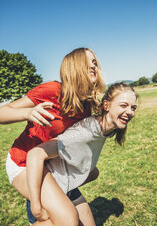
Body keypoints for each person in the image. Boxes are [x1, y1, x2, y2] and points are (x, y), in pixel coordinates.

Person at [6, 82, 138, 226]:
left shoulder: (107, 129)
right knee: (68, 222)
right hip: (45, 183)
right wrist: (36, 204)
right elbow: (35, 154)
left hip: (64, 182)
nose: (130, 112)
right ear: (106, 105)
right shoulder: (84, 132)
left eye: (133, 108)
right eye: (123, 105)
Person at [1, 48, 106, 224]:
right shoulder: (52, 90)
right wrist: (27, 113)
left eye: (95, 61)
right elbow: (3, 112)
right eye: (88, 62)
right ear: (74, 67)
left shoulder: (86, 106)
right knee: (67, 218)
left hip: (53, 166)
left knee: (87, 221)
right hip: (24, 162)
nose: (94, 65)